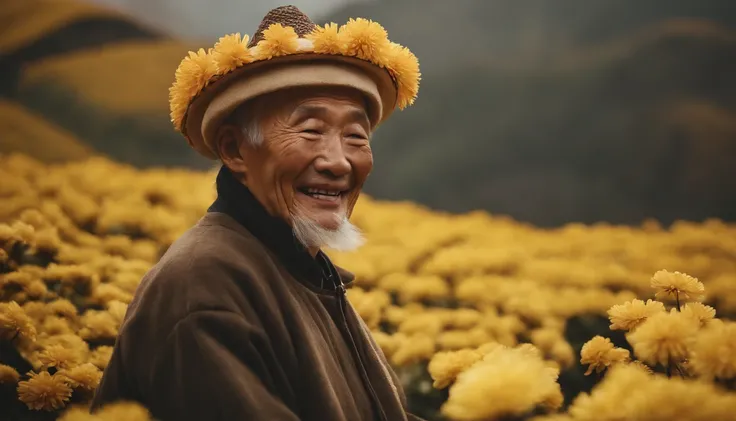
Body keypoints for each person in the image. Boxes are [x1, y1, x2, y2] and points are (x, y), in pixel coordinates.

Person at [90, 5, 423, 421]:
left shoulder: (306, 270)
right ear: (234, 150)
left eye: (355, 136)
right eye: (311, 130)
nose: (339, 162)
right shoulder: (205, 285)